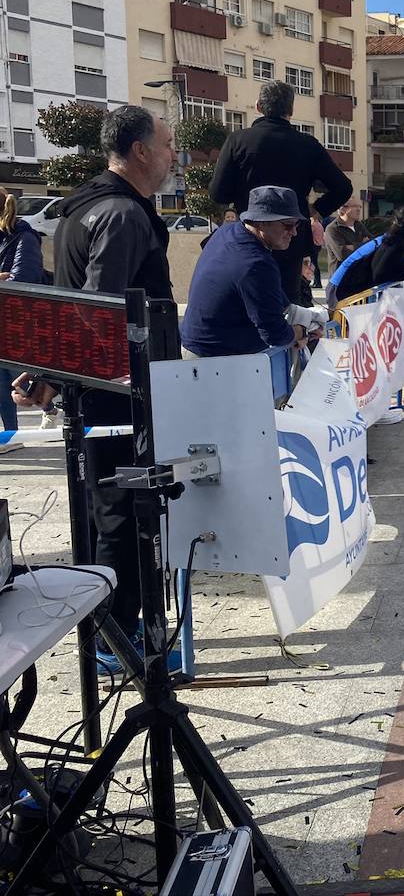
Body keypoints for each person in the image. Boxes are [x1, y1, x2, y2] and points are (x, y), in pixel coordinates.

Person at [14, 106, 176, 671]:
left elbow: (71, 303)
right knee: (124, 517)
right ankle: (118, 640)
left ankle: (114, 633)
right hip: (118, 395)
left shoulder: (84, 206)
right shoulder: (122, 216)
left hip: (102, 390)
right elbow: (98, 312)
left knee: (110, 513)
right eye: (168, 144)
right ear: (139, 152)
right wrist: (56, 377)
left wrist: (49, 377)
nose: (174, 154)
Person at [209, 80, 352, 307]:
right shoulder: (307, 145)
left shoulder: (238, 141)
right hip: (290, 234)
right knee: (286, 304)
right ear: (291, 110)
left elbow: (218, 193)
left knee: (248, 301)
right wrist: (315, 209)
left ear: (258, 106)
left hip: (250, 233)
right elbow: (343, 187)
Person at [182, 186, 322, 357]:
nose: (293, 232)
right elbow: (275, 335)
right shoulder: (256, 263)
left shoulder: (227, 232)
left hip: (196, 345)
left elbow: (267, 294)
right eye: (287, 225)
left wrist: (293, 312)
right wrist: (303, 331)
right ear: (261, 222)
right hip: (216, 359)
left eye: (297, 224)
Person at [0, 192, 45, 448]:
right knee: (3, 380)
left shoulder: (23, 237)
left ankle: (49, 409)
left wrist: (6, 280)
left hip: (17, 318)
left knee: (18, 378)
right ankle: (11, 435)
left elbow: (23, 280)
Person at [330, 205, 404, 305]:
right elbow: (380, 274)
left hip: (352, 286)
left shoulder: (398, 240)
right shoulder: (394, 243)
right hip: (343, 287)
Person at [323, 198, 367, 277]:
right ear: (343, 209)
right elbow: (342, 254)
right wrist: (363, 245)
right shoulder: (333, 228)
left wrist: (352, 247)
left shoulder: (359, 225)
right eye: (354, 206)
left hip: (358, 276)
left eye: (359, 207)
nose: (358, 209)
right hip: (340, 279)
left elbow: (373, 243)